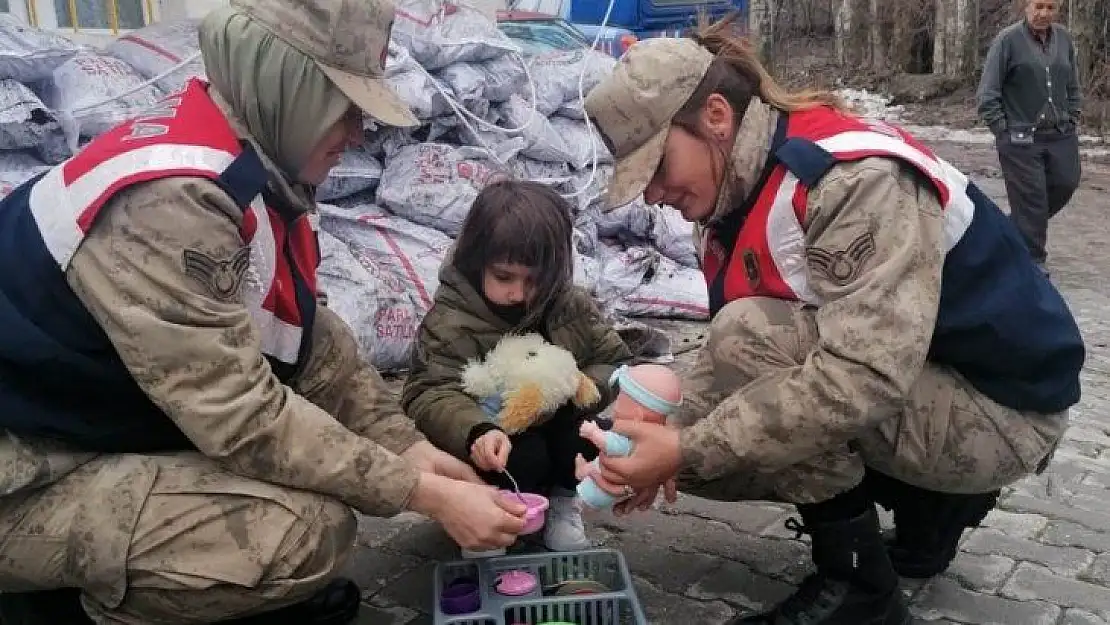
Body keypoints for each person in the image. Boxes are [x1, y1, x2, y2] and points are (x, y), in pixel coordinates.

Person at [0, 1, 529, 623]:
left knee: (305, 496)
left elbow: (312, 345)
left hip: (79, 427)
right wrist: (422, 493)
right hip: (26, 472)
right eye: (346, 110)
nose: (358, 136)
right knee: (296, 534)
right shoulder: (174, 203)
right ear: (293, 89)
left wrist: (408, 449)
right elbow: (240, 415)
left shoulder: (247, 171)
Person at [581, 13, 1085, 625]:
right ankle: (930, 512)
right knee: (726, 396)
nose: (652, 194)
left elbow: (859, 377)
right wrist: (651, 436)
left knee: (747, 345)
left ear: (716, 116)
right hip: (940, 378)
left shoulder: (849, 182)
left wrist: (685, 448)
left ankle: (862, 593)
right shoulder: (732, 193)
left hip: (1003, 414)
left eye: (658, 167)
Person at [403, 180, 633, 552]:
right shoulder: (452, 321)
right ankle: (485, 513)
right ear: (476, 264)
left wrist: (577, 386)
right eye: (504, 277)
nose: (520, 294)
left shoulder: (569, 305)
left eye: (536, 281)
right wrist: (476, 431)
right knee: (520, 455)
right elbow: (428, 392)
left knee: (593, 434)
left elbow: (616, 362)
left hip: (556, 426)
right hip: (494, 441)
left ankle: (562, 500)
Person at [976, 0, 1083, 276]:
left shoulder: (1064, 40)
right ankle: (1033, 261)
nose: (1044, 13)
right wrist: (1002, 129)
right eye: (1039, 6)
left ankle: (1013, 230)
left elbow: (1072, 83)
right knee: (1032, 198)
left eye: (1051, 7)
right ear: (1026, 6)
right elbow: (988, 92)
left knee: (1066, 182)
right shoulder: (1008, 41)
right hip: (1020, 138)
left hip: (1060, 134)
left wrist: (1073, 115)